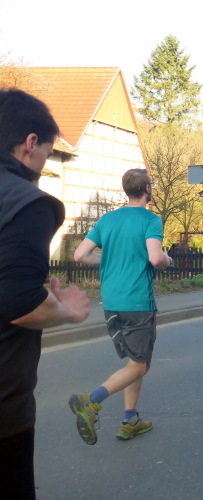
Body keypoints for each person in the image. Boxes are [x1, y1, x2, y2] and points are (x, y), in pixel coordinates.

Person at [0, 89, 91, 499]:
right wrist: (66, 309)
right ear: (30, 143)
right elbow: (20, 303)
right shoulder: (27, 202)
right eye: (48, 155)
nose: (43, 166)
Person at [71, 168, 173, 445]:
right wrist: (168, 260)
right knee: (140, 365)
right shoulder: (150, 220)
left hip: (111, 301)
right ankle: (91, 401)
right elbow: (155, 259)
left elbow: (80, 255)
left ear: (127, 190)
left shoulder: (107, 220)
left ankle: (130, 420)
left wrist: (108, 260)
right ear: (147, 189)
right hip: (137, 301)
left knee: (135, 360)